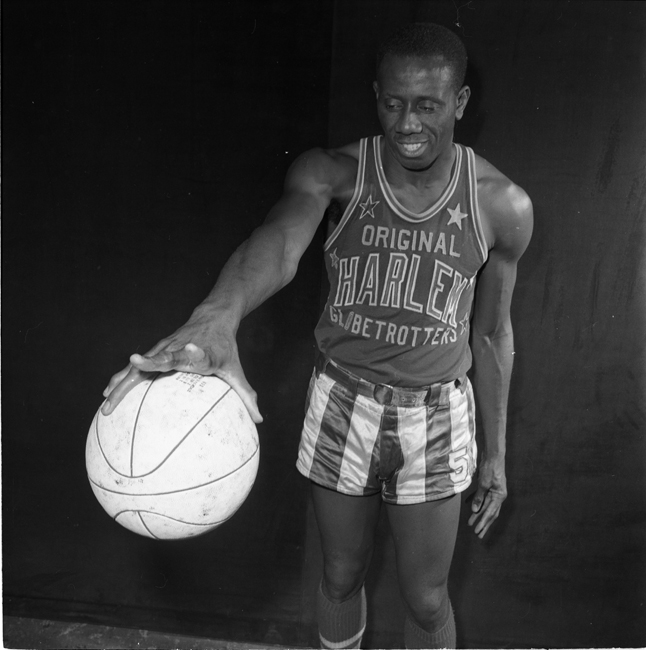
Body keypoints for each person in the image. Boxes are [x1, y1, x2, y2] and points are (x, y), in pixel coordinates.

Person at [103, 22, 533, 650]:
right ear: (375, 95)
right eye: (392, 102)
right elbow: (278, 244)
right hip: (343, 399)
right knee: (338, 574)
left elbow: (493, 334)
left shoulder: (502, 204)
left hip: (436, 412)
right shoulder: (333, 173)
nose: (406, 123)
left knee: (426, 595)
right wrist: (216, 316)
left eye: (428, 106)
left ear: (460, 104)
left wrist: (496, 454)